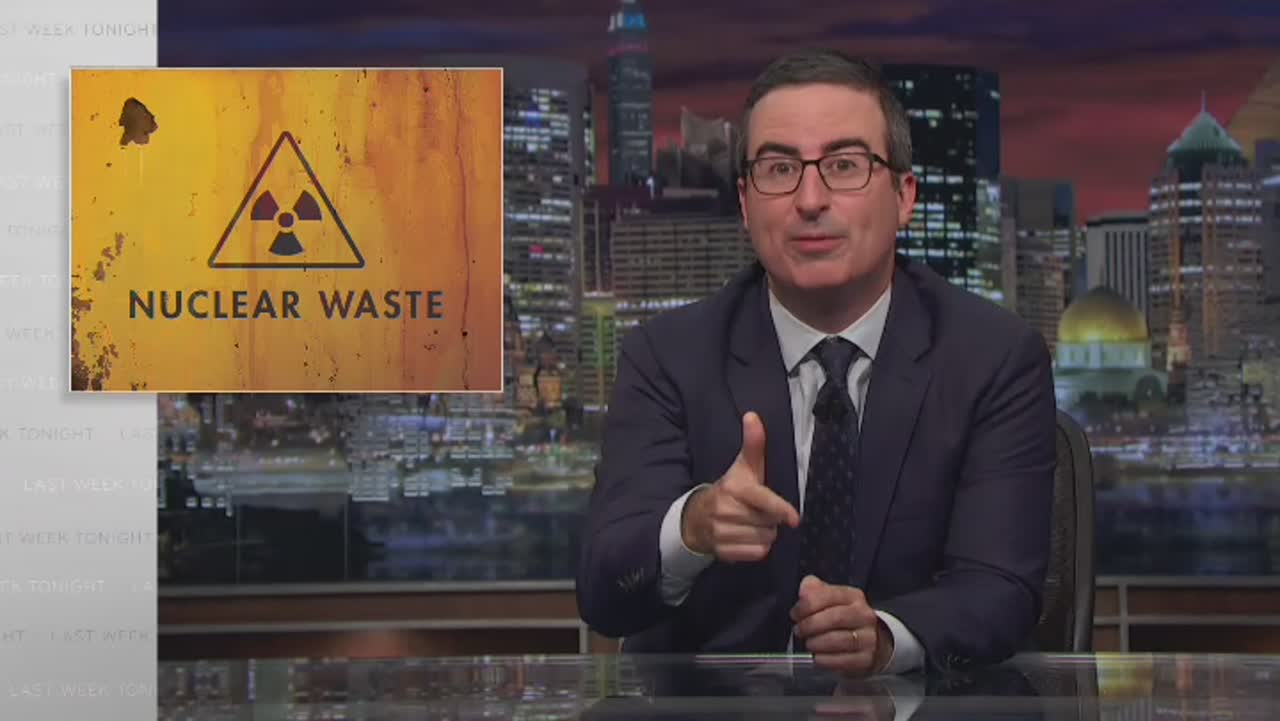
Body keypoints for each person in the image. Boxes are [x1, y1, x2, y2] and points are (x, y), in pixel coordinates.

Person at [576, 48, 1056, 677]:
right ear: (745, 202)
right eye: (779, 169)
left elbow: (1000, 588)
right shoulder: (667, 356)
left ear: (904, 196)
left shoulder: (993, 358)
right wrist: (691, 528)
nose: (809, 199)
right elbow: (604, 592)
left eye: (844, 165)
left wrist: (885, 638)